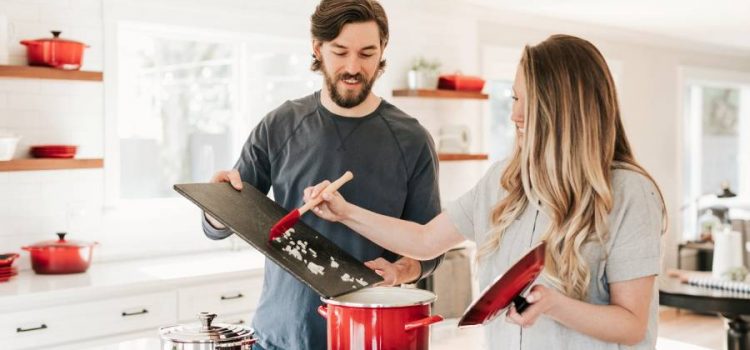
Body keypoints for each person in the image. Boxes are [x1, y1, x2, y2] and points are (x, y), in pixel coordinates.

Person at [306, 34, 667, 350]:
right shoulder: (504, 181)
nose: (515, 115)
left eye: (529, 102)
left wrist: (554, 304)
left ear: (565, 110)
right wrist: (344, 211)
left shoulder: (629, 193)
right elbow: (426, 240)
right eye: (513, 98)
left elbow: (632, 324)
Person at [201, 1, 443, 349]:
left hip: (368, 335)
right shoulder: (279, 125)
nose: (353, 67)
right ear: (318, 48)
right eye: (340, 51)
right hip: (279, 336)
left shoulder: (412, 140)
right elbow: (222, 222)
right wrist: (215, 206)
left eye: (366, 53)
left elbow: (430, 244)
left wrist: (402, 271)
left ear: (383, 51)